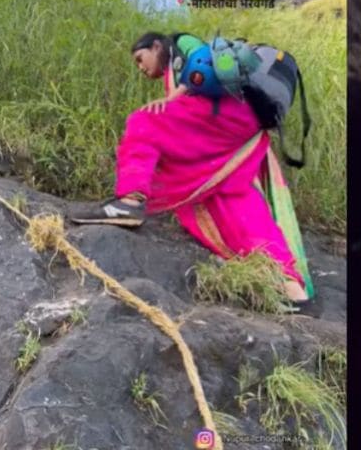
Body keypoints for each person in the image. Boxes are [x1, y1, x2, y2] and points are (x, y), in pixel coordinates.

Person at [70, 32, 309, 304]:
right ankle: (289, 285)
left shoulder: (181, 43)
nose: (141, 67)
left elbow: (200, 55)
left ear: (157, 46)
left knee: (144, 121)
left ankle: (129, 200)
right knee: (234, 199)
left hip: (228, 111)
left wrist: (173, 99)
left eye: (140, 58)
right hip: (246, 124)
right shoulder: (190, 72)